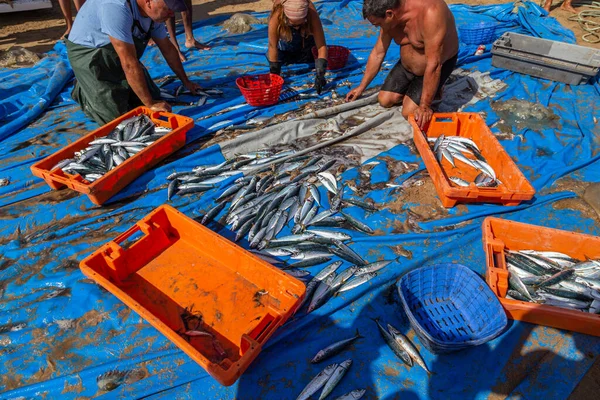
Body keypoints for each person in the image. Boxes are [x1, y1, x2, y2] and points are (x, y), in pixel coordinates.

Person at [66, 0, 202, 125]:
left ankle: (114, 81)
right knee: (118, 119)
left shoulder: (154, 14)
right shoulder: (116, 7)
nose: (172, 14)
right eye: (168, 9)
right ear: (148, 2)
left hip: (118, 52)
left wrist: (186, 82)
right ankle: (84, 90)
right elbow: (129, 63)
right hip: (91, 54)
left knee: (153, 97)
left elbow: (168, 49)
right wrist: (149, 104)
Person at [346, 0, 459, 129]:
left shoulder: (431, 13)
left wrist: (425, 106)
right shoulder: (390, 16)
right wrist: (361, 87)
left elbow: (434, 64)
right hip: (407, 66)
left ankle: (437, 88)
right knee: (384, 100)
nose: (377, 28)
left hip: (435, 66)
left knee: (409, 112)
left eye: (378, 24)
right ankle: (414, 92)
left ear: (389, 14)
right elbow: (378, 52)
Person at [267, 0, 328, 94]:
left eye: (299, 24)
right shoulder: (277, 15)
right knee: (277, 57)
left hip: (306, 38)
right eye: (293, 24)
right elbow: (272, 46)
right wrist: (274, 75)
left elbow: (321, 46)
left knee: (309, 56)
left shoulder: (311, 13)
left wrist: (320, 73)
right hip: (286, 39)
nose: (296, 27)